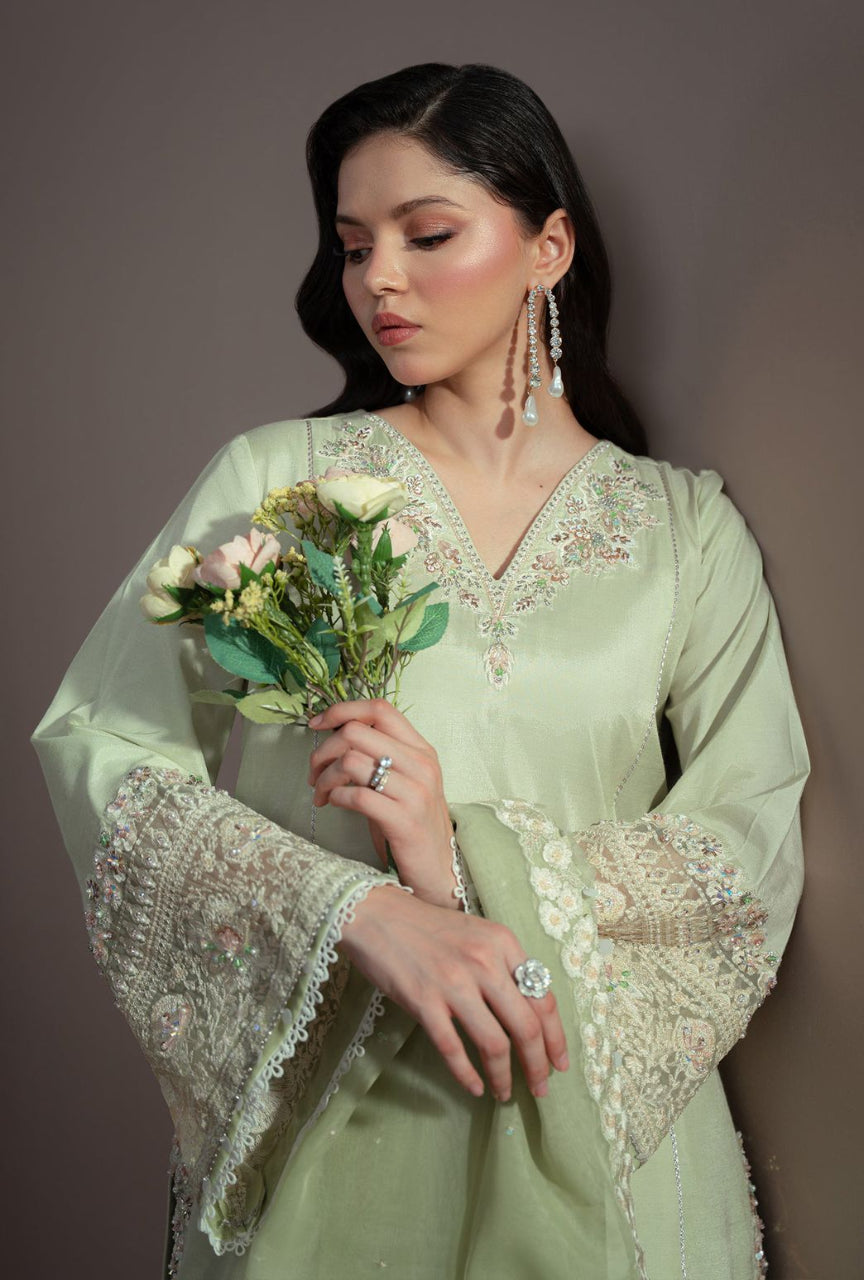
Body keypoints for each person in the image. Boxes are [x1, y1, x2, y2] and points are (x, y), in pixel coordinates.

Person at [32, 62, 808, 1279]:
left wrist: (464, 860)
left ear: (548, 247)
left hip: (603, 1124)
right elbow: (101, 741)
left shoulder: (682, 530)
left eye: (426, 233)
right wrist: (362, 909)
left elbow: (745, 846)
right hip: (342, 1117)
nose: (376, 279)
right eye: (351, 246)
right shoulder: (280, 483)